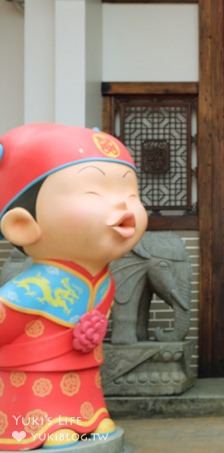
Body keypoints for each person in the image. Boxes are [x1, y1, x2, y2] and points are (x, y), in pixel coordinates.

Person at [0, 123, 147, 449]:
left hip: (83, 369)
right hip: (33, 372)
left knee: (87, 397)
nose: (125, 207)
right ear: (22, 225)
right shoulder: (32, 286)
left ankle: (88, 418)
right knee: (41, 398)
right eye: (93, 193)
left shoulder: (103, 277)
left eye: (132, 195)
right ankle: (43, 426)